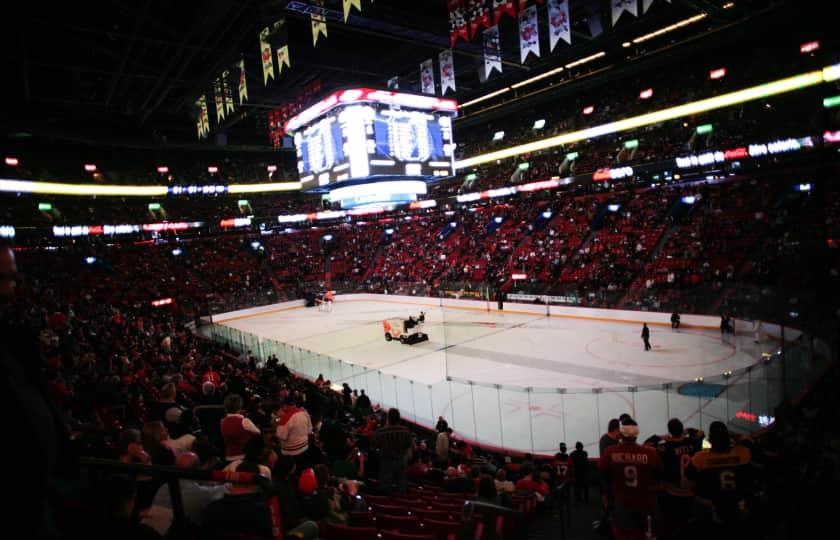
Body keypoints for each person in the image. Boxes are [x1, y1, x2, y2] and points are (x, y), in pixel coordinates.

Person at [0, 243, 75, 539]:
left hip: (32, 506)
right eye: (0, 278)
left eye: (12, 279)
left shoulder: (12, 344)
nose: (8, 290)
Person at [599, 418, 663, 540]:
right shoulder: (650, 453)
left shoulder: (609, 452)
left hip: (621, 502)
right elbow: (659, 473)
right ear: (636, 434)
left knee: (623, 533)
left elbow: (603, 473)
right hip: (644, 502)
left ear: (622, 434)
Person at [686, 421, 752, 529]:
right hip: (737, 504)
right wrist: (731, 434)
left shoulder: (700, 458)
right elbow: (747, 440)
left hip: (712, 507)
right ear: (728, 438)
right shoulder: (742, 453)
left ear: (711, 440)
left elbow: (689, 480)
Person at [372, 408, 413, 494]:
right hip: (401, 461)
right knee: (401, 485)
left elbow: (375, 446)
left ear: (388, 419)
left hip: (386, 461)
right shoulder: (405, 431)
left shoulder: (381, 432)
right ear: (398, 419)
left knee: (385, 488)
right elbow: (409, 446)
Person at [220, 394, 261, 463]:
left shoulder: (222, 421)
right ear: (240, 406)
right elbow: (258, 433)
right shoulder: (244, 421)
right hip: (244, 457)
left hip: (229, 457)